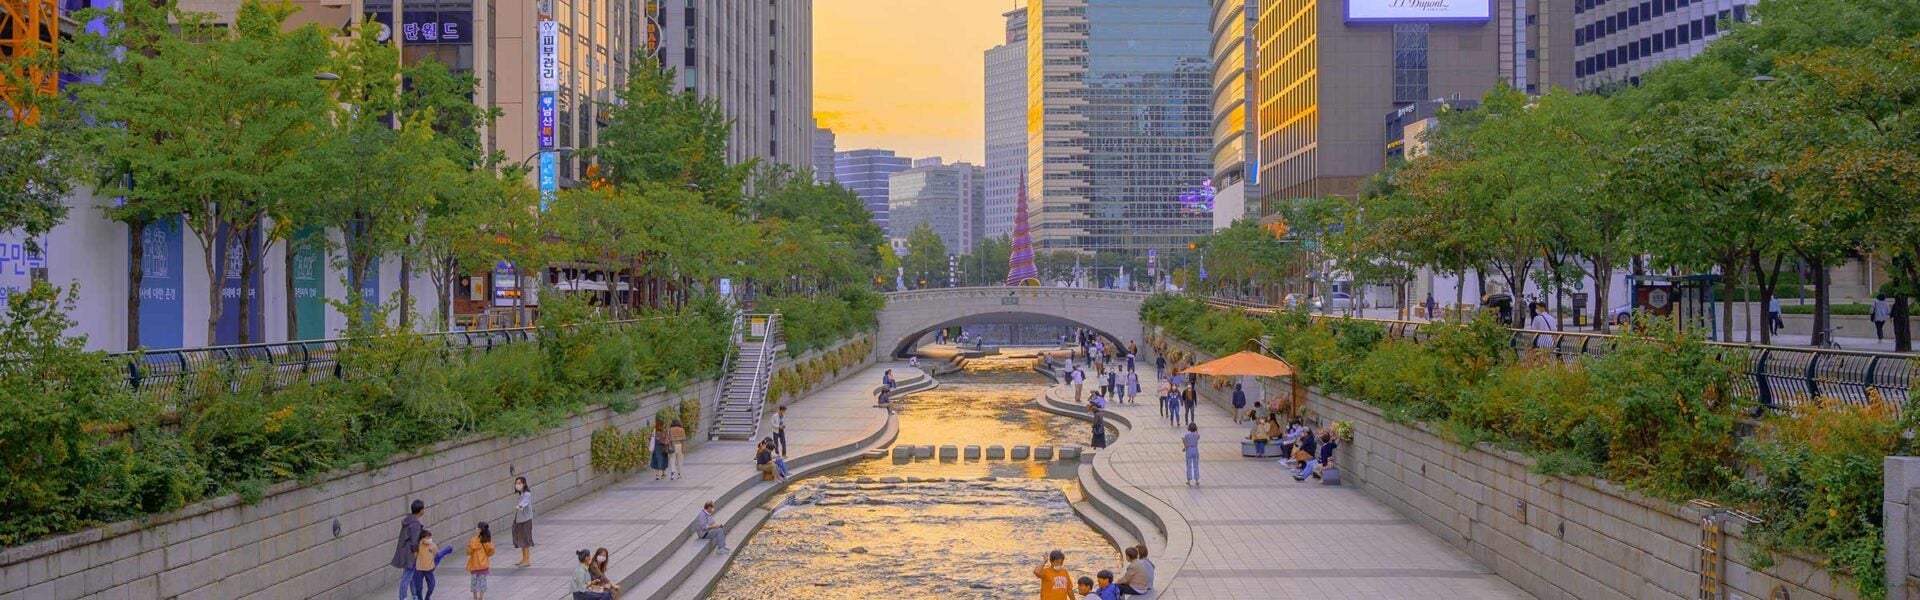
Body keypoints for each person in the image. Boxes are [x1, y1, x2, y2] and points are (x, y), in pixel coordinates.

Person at [392, 499, 426, 600]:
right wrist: (415, 553)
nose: (424, 510)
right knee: (407, 576)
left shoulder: (408, 520)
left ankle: (414, 594)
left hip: (405, 551)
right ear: (420, 510)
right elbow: (414, 541)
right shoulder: (415, 524)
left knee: (411, 574)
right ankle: (403, 597)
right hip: (410, 553)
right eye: (423, 509)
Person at [414, 529, 454, 600]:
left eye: (430, 537)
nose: (429, 539)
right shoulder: (418, 546)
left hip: (429, 569)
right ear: (422, 538)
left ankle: (427, 598)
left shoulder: (433, 545)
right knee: (418, 588)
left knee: (431, 587)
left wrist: (443, 555)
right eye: (427, 538)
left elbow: (437, 554)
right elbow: (415, 556)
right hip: (419, 569)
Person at [467, 522, 495, 600]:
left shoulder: (473, 540)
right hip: (483, 565)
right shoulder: (487, 541)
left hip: (474, 565)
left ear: (480, 530)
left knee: (474, 582)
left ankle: (475, 597)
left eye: (477, 528)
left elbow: (468, 552)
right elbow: (491, 551)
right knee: (482, 582)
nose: (476, 529)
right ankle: (481, 597)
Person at [511, 478, 534, 567]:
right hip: (519, 520)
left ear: (524, 484)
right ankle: (523, 559)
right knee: (521, 539)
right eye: (516, 483)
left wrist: (520, 506)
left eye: (519, 483)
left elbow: (525, 502)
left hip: (526, 520)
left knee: (525, 540)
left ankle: (527, 560)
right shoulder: (520, 494)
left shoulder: (527, 494)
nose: (517, 485)